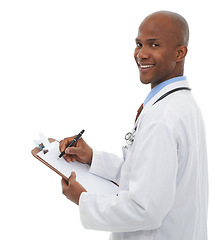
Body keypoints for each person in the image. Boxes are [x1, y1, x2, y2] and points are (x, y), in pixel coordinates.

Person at [60, 11, 208, 240]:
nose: (142, 54)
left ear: (180, 53)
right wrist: (92, 158)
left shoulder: (162, 117)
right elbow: (146, 176)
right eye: (139, 44)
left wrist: (82, 199)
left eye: (154, 44)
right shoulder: (182, 105)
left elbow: (146, 210)